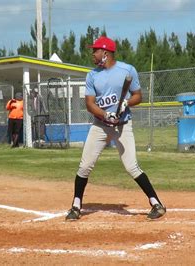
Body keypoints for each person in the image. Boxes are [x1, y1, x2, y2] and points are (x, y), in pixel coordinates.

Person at [65, 36, 166, 221]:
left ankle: (156, 204)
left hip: (123, 125)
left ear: (105, 53)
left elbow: (138, 96)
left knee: (131, 166)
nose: (92, 54)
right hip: (100, 126)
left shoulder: (127, 70)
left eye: (95, 51)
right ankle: (76, 206)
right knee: (85, 165)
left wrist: (126, 102)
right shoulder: (92, 75)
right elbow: (89, 104)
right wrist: (105, 114)